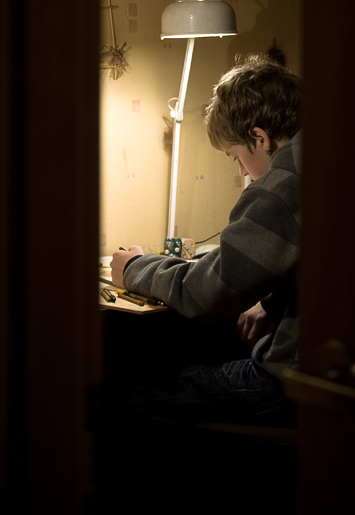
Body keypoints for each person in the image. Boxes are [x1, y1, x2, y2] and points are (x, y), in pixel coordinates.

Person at [109, 53, 301, 429]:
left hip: (295, 383)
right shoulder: (337, 155)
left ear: (260, 138)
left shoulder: (283, 185)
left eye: (235, 157)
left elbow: (205, 292)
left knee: (125, 396)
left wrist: (134, 267)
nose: (243, 171)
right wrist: (274, 297)